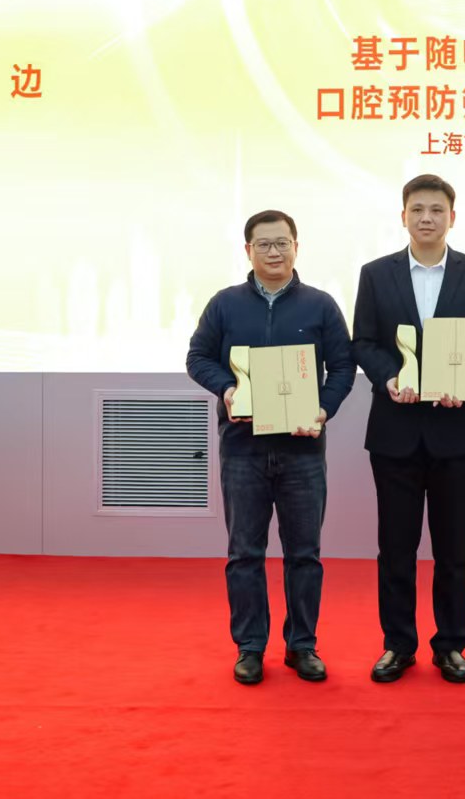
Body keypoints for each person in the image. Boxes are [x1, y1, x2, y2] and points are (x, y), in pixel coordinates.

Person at [186, 209, 356, 685]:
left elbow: (343, 366)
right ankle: (250, 647)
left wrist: (323, 409)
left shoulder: (321, 305)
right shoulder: (225, 304)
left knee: (305, 553)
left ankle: (302, 645)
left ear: (296, 247)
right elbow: (197, 357)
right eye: (264, 244)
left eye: (282, 243)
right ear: (248, 251)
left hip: (303, 451)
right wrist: (226, 389)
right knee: (245, 552)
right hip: (243, 448)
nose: (274, 252)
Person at [350, 174, 465, 685]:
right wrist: (390, 377)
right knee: (395, 548)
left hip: (456, 430)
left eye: (436, 210)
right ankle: (398, 645)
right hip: (394, 430)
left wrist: (463, 380)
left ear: (451, 218)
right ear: (403, 217)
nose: (426, 218)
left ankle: (451, 645)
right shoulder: (376, 274)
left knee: (453, 549)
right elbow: (363, 342)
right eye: (417, 209)